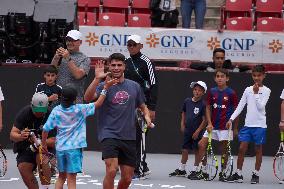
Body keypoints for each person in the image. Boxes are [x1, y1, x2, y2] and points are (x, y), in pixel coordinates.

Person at [84, 53, 152, 189]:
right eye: (113, 65)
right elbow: (87, 98)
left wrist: (147, 116)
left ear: (124, 67)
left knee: (127, 178)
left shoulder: (134, 86)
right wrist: (97, 79)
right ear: (109, 66)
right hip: (109, 134)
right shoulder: (103, 85)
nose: (116, 68)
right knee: (112, 169)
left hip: (129, 136)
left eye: (119, 65)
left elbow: (143, 106)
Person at [41, 70, 117, 189]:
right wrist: (105, 88)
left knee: (61, 177)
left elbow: (45, 129)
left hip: (60, 148)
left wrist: (44, 144)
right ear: (75, 99)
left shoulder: (56, 111)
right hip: (74, 149)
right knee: (72, 178)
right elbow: (98, 104)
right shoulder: (80, 109)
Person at [225, 65, 271, 184]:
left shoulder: (266, 90)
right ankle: (238, 174)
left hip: (260, 126)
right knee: (241, 149)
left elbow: (261, 107)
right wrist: (231, 119)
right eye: (254, 75)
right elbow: (240, 106)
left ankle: (256, 174)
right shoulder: (247, 89)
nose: (256, 78)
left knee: (258, 150)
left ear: (264, 76)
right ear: (252, 75)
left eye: (259, 75)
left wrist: (256, 94)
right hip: (247, 126)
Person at [124, 34, 158, 179]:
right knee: (128, 138)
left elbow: (154, 85)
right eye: (129, 44)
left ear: (141, 46)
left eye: (134, 44)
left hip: (142, 106)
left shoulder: (146, 62)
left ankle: (139, 171)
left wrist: (151, 108)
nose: (131, 47)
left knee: (140, 138)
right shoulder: (125, 62)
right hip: (127, 106)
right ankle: (141, 165)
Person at [197, 68, 238, 181]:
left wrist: (235, 128)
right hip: (213, 126)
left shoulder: (231, 93)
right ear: (215, 78)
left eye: (222, 76)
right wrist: (209, 123)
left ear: (227, 78)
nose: (220, 78)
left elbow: (236, 111)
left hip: (225, 127)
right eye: (218, 76)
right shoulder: (212, 91)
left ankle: (223, 172)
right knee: (201, 145)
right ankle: (203, 171)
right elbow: (208, 108)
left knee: (223, 150)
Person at [9, 92, 55, 189]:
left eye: (42, 110)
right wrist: (20, 136)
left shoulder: (52, 115)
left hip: (46, 148)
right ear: (31, 105)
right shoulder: (25, 113)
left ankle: (45, 188)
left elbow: (55, 141)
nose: (39, 113)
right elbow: (12, 135)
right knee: (23, 167)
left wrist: (39, 141)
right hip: (27, 147)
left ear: (47, 107)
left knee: (42, 158)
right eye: (37, 110)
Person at [169, 81, 207, 179]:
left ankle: (195, 169)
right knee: (185, 149)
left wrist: (198, 131)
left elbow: (204, 120)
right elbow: (183, 113)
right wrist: (182, 124)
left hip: (196, 132)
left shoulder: (203, 104)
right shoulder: (187, 101)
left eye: (199, 90)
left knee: (196, 150)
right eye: (195, 90)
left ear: (203, 92)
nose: (197, 92)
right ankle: (182, 169)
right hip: (187, 130)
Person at [51, 29, 91, 103]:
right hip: (58, 99)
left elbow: (78, 75)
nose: (69, 43)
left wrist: (68, 58)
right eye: (68, 40)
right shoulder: (61, 55)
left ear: (80, 42)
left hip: (75, 101)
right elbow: (51, 72)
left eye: (73, 40)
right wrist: (56, 58)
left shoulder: (85, 59)